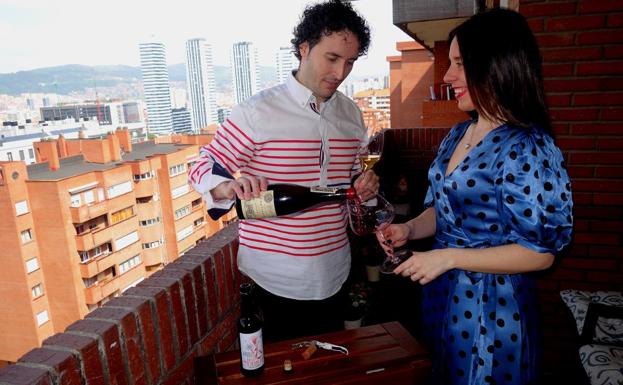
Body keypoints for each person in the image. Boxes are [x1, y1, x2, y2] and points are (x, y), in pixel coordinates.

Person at [377, 8, 573, 385]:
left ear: (497, 64)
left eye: (459, 63)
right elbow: (442, 210)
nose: (447, 76)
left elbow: (541, 253)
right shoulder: (457, 134)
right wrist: (409, 229)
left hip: (492, 307)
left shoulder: (528, 146)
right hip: (443, 292)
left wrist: (447, 257)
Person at [189, 0, 378, 341]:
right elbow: (201, 166)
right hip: (275, 279)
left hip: (336, 269)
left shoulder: (351, 114)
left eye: (349, 62)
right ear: (304, 49)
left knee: (327, 366)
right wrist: (227, 188)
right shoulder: (258, 112)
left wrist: (363, 184)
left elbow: (352, 176)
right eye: (332, 58)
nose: (340, 73)